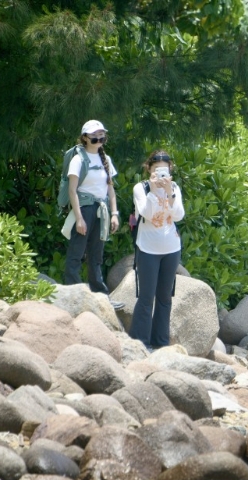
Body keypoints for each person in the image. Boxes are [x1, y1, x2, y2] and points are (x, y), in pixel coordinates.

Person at [129, 150, 185, 350]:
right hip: (147, 249)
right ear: (149, 169)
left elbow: (178, 216)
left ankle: (160, 344)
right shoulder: (141, 188)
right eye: (156, 170)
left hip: (171, 248)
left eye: (164, 170)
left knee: (165, 298)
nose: (161, 174)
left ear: (170, 170)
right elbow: (147, 214)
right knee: (146, 298)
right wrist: (153, 191)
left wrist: (169, 193)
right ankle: (140, 344)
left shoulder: (174, 188)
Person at [64, 119, 123, 309]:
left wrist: (114, 214)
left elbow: (110, 189)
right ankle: (73, 296)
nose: (99, 139)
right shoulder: (78, 159)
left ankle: (101, 298)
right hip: (84, 209)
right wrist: (79, 218)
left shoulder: (106, 159)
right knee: (76, 253)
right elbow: (72, 191)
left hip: (101, 210)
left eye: (101, 135)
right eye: (94, 136)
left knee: (96, 255)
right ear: (85, 138)